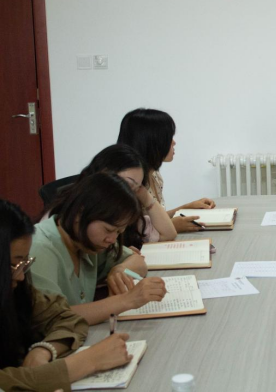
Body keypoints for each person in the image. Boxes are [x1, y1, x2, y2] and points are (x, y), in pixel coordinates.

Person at [0, 199, 134, 391]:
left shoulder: (16, 290)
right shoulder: (45, 247)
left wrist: (44, 349)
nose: (21, 276)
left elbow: (67, 317)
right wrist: (88, 361)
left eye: (24, 263)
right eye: (14, 264)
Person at [30, 173, 167, 325]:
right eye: (108, 230)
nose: (112, 239)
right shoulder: (40, 249)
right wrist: (127, 300)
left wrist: (119, 270)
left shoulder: (86, 241)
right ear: (79, 214)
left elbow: (138, 262)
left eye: (118, 232)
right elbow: (53, 318)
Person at [117, 108, 216, 233]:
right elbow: (130, 234)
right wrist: (172, 226)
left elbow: (153, 219)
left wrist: (184, 208)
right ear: (152, 142)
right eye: (168, 138)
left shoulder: (154, 175)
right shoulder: (129, 183)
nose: (174, 143)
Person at [75, 144, 177, 246]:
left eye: (137, 189)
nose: (131, 195)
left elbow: (169, 234)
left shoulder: (127, 217)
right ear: (105, 175)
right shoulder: (83, 212)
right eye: (128, 185)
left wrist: (145, 196)